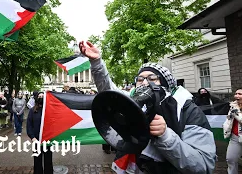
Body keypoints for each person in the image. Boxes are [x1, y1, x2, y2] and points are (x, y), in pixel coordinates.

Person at [79, 41, 216, 174]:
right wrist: (97, 62)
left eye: (152, 78)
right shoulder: (133, 100)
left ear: (165, 85)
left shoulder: (188, 111)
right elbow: (109, 92)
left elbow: (203, 165)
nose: (145, 83)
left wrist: (166, 136)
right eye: (140, 79)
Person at [27, 92, 53, 174]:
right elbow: (29, 125)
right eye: (39, 96)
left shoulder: (49, 111)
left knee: (48, 160)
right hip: (36, 139)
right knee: (37, 160)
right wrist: (32, 137)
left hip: (47, 140)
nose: (41, 97)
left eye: (42, 96)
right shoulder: (32, 111)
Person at [223, 88, 242, 174]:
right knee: (230, 159)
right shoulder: (233, 106)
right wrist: (225, 126)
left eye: (240, 94)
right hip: (235, 137)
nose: (237, 96)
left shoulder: (235, 108)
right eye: (236, 93)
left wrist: (236, 111)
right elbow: (229, 119)